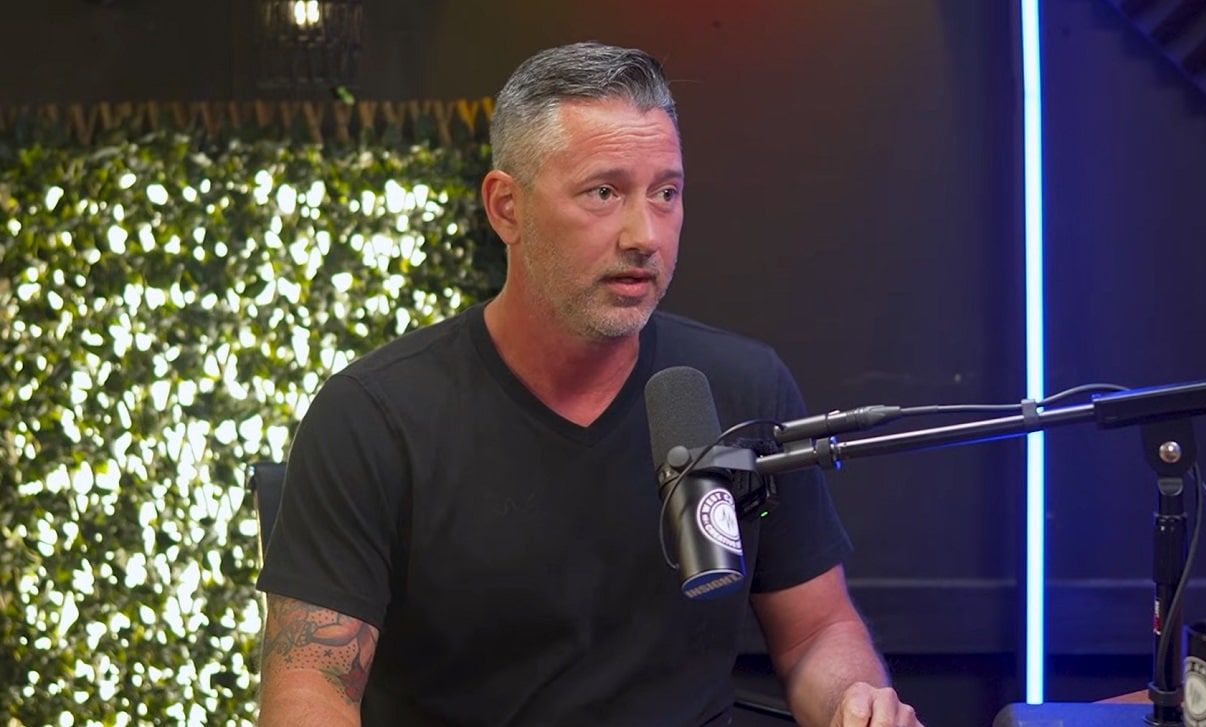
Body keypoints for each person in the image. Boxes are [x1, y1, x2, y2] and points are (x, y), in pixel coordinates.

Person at [255, 41, 924, 727]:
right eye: (604, 192)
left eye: (666, 193)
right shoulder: (373, 417)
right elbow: (312, 690)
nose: (645, 235)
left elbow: (816, 633)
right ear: (506, 207)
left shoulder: (742, 389)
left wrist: (853, 700)